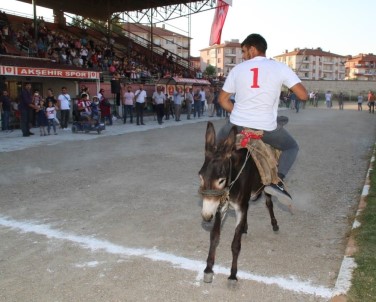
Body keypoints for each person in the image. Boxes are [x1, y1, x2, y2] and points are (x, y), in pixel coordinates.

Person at [218, 33, 308, 205]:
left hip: (237, 125)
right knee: (291, 147)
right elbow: (303, 95)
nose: (243, 56)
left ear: (253, 49)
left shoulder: (237, 69)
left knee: (216, 145)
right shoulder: (280, 67)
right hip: (265, 128)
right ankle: (277, 183)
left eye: (244, 51)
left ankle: (215, 178)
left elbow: (222, 100)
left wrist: (239, 111)